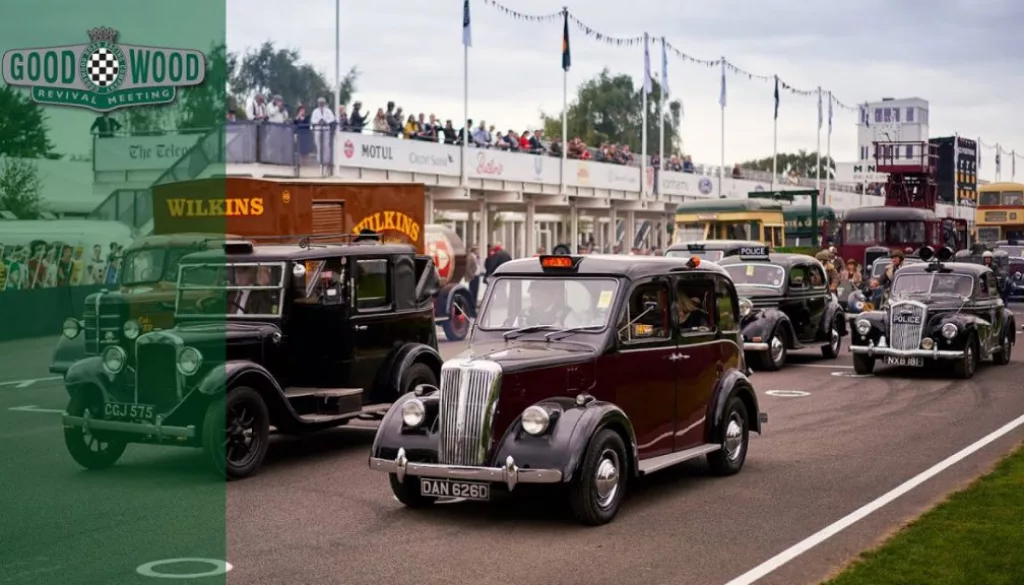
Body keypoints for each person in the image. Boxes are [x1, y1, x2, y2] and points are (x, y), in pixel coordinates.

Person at [513, 280, 584, 328]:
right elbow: (512, 333)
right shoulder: (524, 313)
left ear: (551, 296)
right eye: (532, 294)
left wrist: (561, 330)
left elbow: (576, 337)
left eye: (538, 295)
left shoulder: (567, 314)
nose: (534, 298)